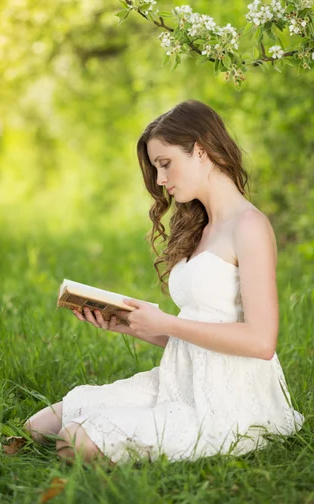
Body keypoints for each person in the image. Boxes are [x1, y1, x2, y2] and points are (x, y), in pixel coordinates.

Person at [24, 99, 305, 466]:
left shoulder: (249, 226)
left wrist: (167, 322)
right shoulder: (201, 226)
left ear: (201, 151)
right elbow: (194, 339)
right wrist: (130, 325)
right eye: (157, 168)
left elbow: (261, 341)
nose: (160, 180)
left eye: (165, 164)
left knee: (73, 441)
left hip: (228, 399)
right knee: (38, 426)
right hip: (178, 381)